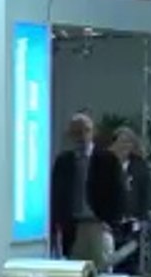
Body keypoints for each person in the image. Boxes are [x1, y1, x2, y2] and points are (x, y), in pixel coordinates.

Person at [49, 113, 125, 267]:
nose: (82, 136)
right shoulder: (63, 162)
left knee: (102, 273)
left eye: (86, 131)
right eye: (77, 132)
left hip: (99, 225)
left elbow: (119, 194)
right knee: (75, 274)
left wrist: (112, 223)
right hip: (73, 227)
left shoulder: (107, 160)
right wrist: (55, 228)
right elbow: (56, 196)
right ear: (70, 135)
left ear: (93, 132)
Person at [109, 126, 151, 274]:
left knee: (129, 261)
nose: (125, 146)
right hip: (108, 224)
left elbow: (146, 194)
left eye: (129, 142)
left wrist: (143, 218)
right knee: (110, 261)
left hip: (132, 223)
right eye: (121, 142)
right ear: (114, 144)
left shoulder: (140, 166)